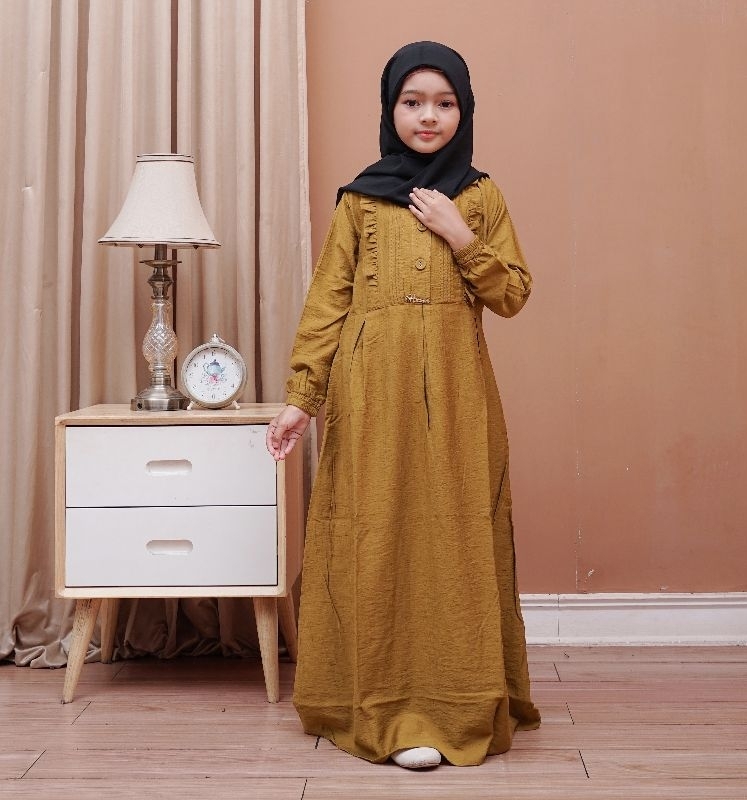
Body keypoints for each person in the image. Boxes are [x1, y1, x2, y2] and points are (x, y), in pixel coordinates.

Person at [266, 40, 540, 769]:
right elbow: (328, 302)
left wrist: (461, 236)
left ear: (464, 112)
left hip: (456, 390)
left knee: (453, 535)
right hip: (370, 393)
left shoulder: (480, 195)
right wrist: (301, 399)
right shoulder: (360, 199)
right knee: (376, 532)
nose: (428, 116)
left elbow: (513, 295)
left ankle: (456, 702)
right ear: (390, 109)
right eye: (412, 102)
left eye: (445, 103)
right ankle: (376, 705)